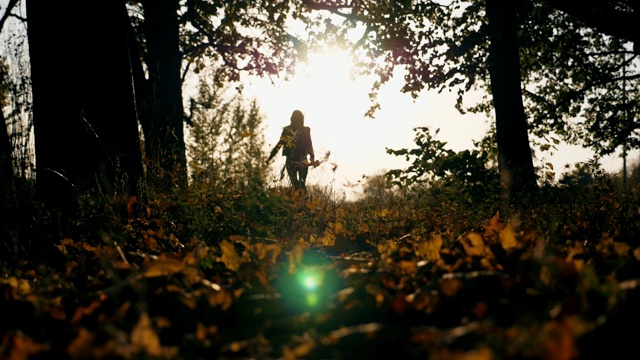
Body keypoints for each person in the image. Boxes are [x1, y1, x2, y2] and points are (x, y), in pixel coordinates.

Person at [267, 110, 316, 191]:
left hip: (291, 160)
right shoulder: (305, 130)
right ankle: (302, 201)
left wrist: (270, 158)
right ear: (302, 119)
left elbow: (279, 145)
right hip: (302, 159)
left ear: (292, 119)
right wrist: (312, 157)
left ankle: (298, 200)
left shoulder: (287, 130)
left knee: (295, 184)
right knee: (302, 184)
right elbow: (309, 145)